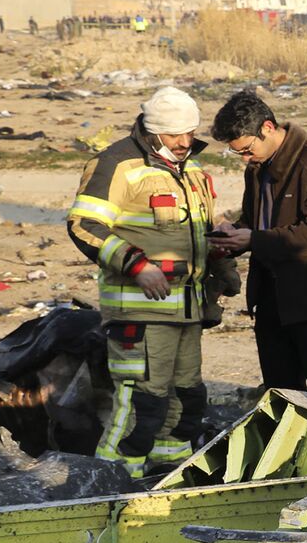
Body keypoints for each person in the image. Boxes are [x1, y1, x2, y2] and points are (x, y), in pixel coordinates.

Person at [64, 87, 223, 476]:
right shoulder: (116, 164)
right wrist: (137, 265)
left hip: (188, 311)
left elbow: (201, 231)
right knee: (142, 404)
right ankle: (113, 484)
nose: (186, 142)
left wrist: (223, 270)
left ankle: (166, 475)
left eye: (190, 133)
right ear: (152, 132)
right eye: (175, 136)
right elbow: (84, 225)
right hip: (140, 311)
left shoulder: (194, 171)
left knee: (186, 401)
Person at [208, 92, 307, 397]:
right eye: (239, 154)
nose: (246, 160)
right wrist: (231, 237)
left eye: (247, 150)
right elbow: (254, 220)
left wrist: (253, 239)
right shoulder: (257, 168)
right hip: (270, 296)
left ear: (267, 128)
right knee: (280, 389)